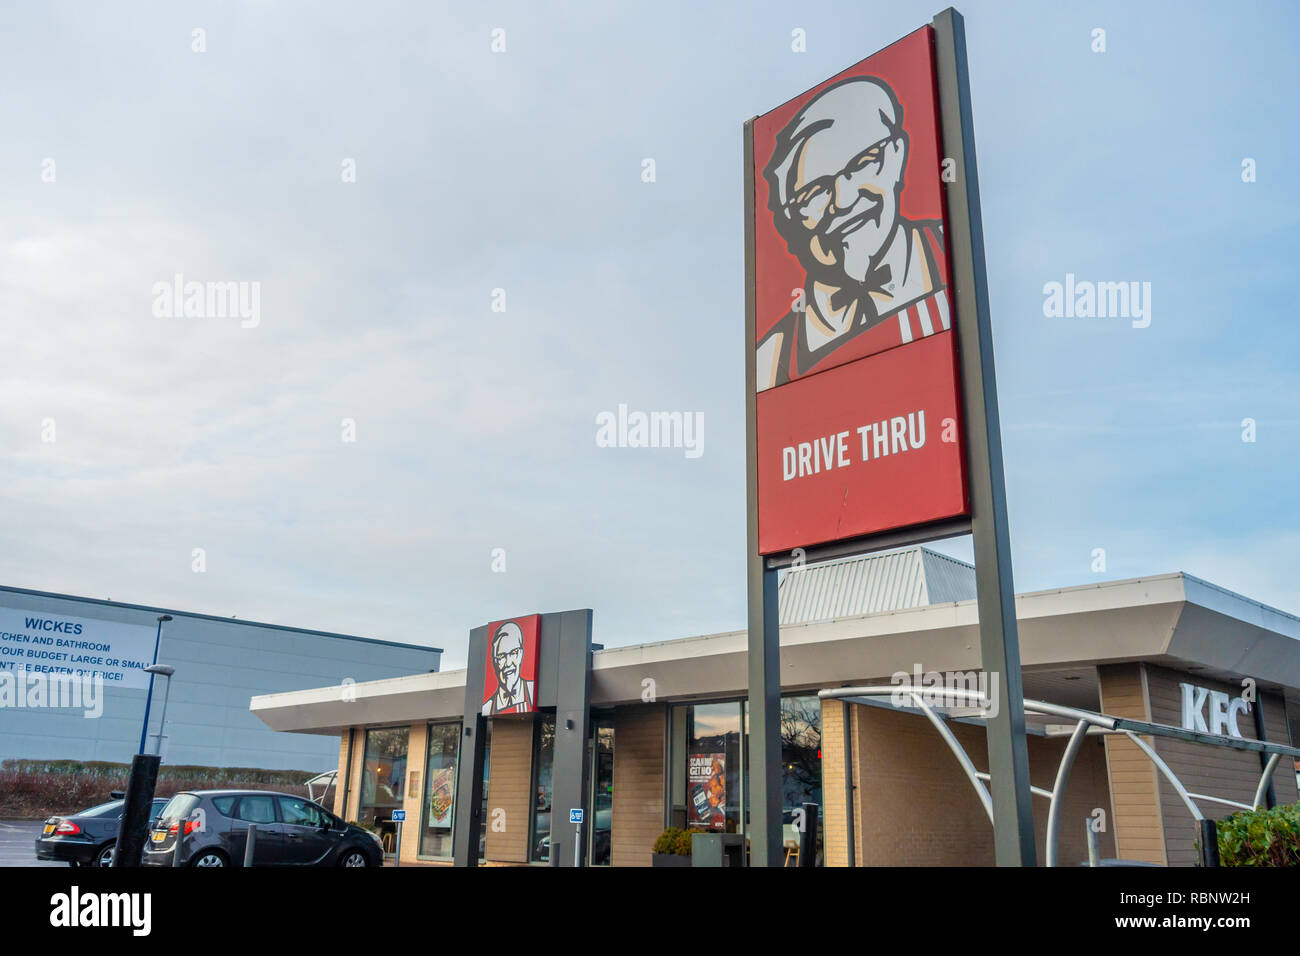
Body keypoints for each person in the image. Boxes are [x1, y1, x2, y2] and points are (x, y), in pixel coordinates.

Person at [757, 75, 950, 392]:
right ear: (789, 221)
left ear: (897, 155)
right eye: (814, 193)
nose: (844, 200)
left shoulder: (955, 260)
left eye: (863, 162)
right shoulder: (769, 364)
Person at [482, 620, 535, 715]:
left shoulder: (532, 692)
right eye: (501, 656)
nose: (508, 663)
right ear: (494, 662)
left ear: (521, 654)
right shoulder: (488, 707)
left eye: (513, 653)